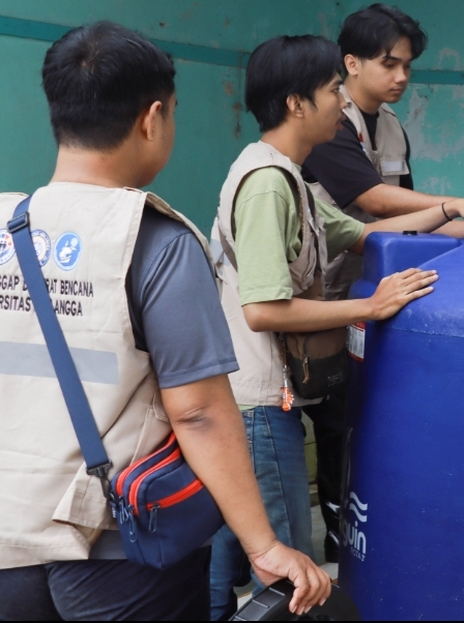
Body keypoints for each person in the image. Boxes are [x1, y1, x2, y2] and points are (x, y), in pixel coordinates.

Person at [0, 22, 329, 621]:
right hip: (118, 551)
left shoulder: (5, 227)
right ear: (152, 119)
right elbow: (198, 411)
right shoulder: (155, 240)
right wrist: (263, 546)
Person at [209, 34, 464, 620]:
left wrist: (454, 209)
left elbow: (365, 234)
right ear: (296, 103)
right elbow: (264, 309)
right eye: (332, 91)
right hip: (257, 404)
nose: (340, 103)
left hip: (263, 400)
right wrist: (370, 307)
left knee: (223, 569)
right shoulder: (267, 183)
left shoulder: (289, 177)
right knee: (293, 576)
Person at [300, 4, 464, 562]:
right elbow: (373, 202)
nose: (401, 76)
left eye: (407, 66)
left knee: (350, 417)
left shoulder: (392, 126)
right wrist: (456, 203)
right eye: (389, 63)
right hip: (315, 296)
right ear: (351, 63)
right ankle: (328, 543)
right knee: (321, 421)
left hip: (372, 293)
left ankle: (350, 535)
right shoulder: (328, 120)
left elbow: (415, 220)